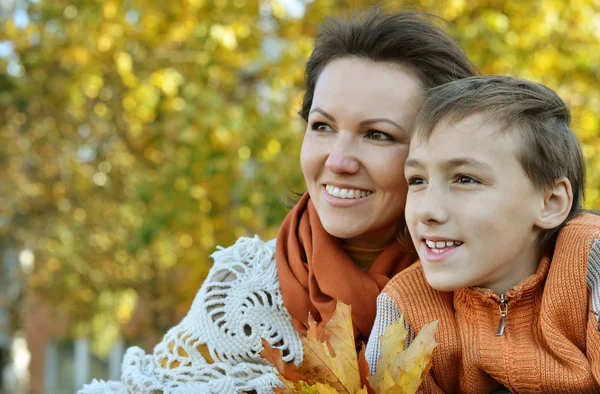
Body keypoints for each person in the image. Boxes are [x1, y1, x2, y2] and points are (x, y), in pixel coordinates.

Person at [80, 8, 477, 394]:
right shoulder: (245, 287)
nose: (337, 161)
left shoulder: (492, 284)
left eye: (377, 134)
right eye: (322, 126)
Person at [366, 75, 600, 393]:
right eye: (417, 180)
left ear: (550, 203)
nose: (426, 210)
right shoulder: (406, 306)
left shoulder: (589, 260)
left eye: (465, 179)